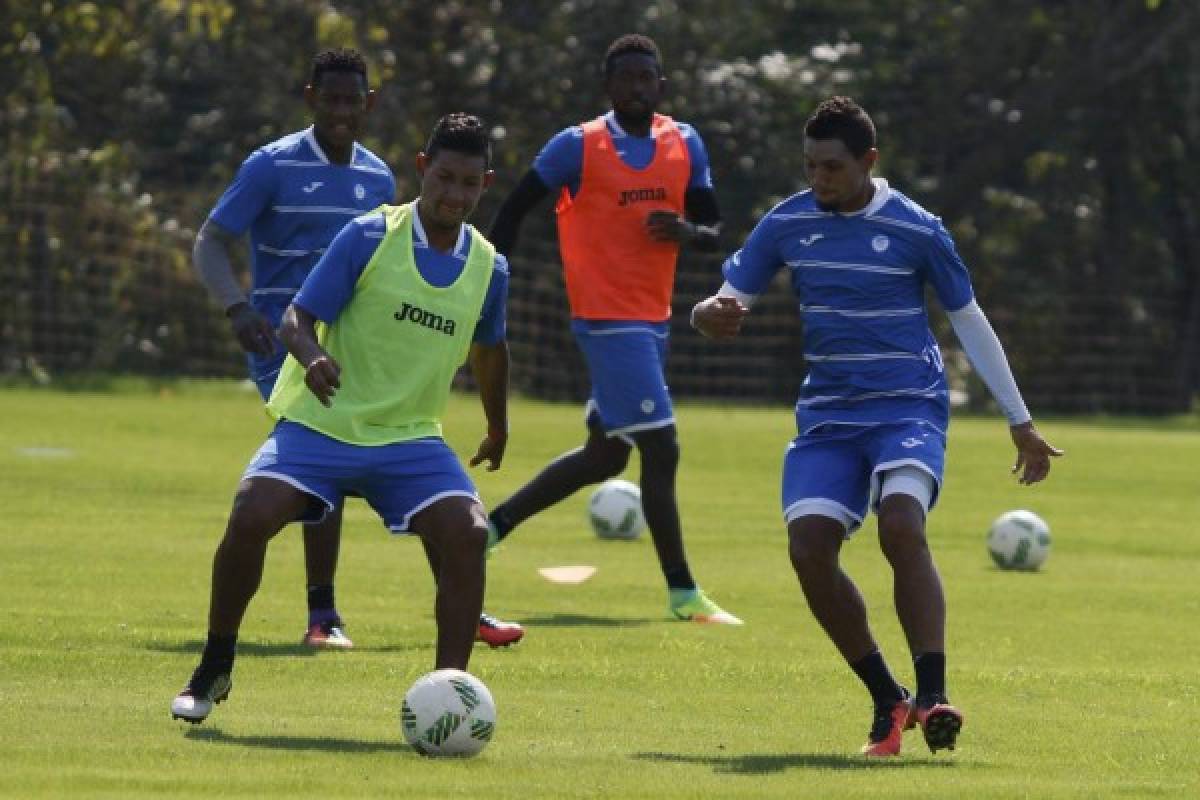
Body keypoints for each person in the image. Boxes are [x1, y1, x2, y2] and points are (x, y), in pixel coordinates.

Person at [691, 96, 1063, 756]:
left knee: (900, 524)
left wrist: (1020, 421)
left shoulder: (919, 230)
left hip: (908, 409)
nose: (818, 179)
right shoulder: (788, 222)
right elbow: (724, 300)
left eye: (831, 167)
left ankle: (934, 693)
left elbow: (970, 323)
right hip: (829, 418)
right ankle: (888, 699)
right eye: (809, 165)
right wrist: (704, 316)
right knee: (808, 551)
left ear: (868, 162)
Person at [172, 113, 512, 723]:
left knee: (467, 532)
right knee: (252, 513)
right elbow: (294, 320)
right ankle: (214, 665)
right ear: (420, 170)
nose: (453, 194)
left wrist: (497, 424)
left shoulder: (490, 267)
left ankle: (451, 697)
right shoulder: (368, 235)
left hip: (409, 438)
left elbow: (491, 349)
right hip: (321, 424)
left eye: (468, 183)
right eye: (443, 178)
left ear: (484, 185)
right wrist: (313, 355)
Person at [485, 34, 740, 625]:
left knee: (605, 457)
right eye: (624, 77)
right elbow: (515, 207)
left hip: (653, 321)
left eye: (645, 77)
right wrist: (489, 275)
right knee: (663, 444)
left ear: (661, 84)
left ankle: (490, 528)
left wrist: (687, 233)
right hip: (604, 320)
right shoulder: (578, 146)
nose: (635, 87)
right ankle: (683, 593)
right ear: (609, 87)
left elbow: (714, 229)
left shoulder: (685, 144)